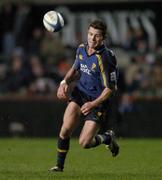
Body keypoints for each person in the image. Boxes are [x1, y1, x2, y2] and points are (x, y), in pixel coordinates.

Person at [49, 19, 119, 172]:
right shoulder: (81, 49)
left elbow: (110, 89)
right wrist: (64, 82)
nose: (92, 39)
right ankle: (59, 167)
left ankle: (107, 137)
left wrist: (93, 104)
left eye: (97, 36)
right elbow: (75, 69)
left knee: (85, 143)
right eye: (90, 34)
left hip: (98, 101)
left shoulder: (105, 58)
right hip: (80, 94)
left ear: (104, 38)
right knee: (65, 129)